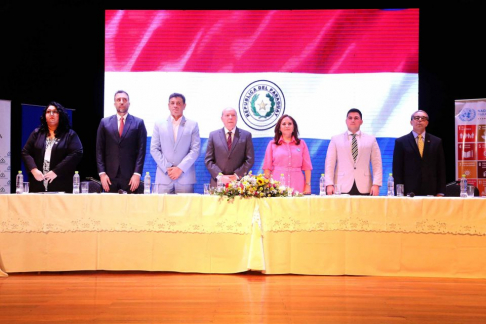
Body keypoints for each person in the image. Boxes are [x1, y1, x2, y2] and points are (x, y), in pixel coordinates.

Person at [21, 101, 83, 193]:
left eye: (55, 111)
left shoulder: (69, 135)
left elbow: (77, 153)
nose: (51, 114)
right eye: (48, 111)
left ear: (60, 115)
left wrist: (56, 171)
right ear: (45, 116)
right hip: (38, 184)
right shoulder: (37, 133)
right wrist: (33, 169)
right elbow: (25, 152)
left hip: (61, 184)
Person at [96, 90, 147, 193]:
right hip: (109, 177)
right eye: (118, 100)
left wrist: (137, 174)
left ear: (129, 103)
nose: (122, 102)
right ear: (115, 103)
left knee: (130, 208)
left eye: (124, 99)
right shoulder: (104, 122)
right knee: (111, 208)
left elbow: (141, 151)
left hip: (130, 177)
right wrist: (102, 173)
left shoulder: (139, 123)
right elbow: (99, 150)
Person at [150, 93, 201, 194]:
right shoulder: (159, 124)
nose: (175, 106)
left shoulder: (193, 125)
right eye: (172, 103)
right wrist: (168, 168)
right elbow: (154, 149)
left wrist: (180, 169)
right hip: (163, 177)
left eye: (178, 103)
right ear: (168, 106)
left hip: (185, 178)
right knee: (161, 209)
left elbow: (195, 150)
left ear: (184, 106)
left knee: (185, 209)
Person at [325, 108, 382, 195]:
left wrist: (376, 184)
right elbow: (330, 163)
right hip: (341, 186)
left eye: (356, 118)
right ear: (346, 121)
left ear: (361, 121)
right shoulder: (335, 139)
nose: (352, 120)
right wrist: (329, 184)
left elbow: (377, 163)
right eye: (350, 118)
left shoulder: (371, 139)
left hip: (365, 186)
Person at [392, 110, 446, 196]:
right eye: (417, 118)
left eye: (423, 118)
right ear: (411, 122)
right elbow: (397, 170)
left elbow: (441, 168)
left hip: (431, 190)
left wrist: (441, 191)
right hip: (408, 191)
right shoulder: (401, 142)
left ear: (427, 123)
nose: (420, 120)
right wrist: (399, 192)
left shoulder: (436, 142)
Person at [205, 108, 254, 187]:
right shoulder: (213, 135)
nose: (230, 117)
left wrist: (237, 175)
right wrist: (220, 176)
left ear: (237, 118)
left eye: (233, 115)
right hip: (218, 183)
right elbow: (208, 160)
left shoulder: (246, 135)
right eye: (227, 115)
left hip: (239, 182)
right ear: (222, 119)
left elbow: (250, 160)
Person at [263, 114, 312, 194]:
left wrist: (308, 185)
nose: (287, 126)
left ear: (294, 127)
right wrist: (268, 187)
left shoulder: (301, 144)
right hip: (277, 185)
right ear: (279, 128)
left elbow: (307, 167)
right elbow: (267, 168)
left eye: (290, 124)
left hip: (298, 184)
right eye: (284, 124)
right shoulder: (272, 144)